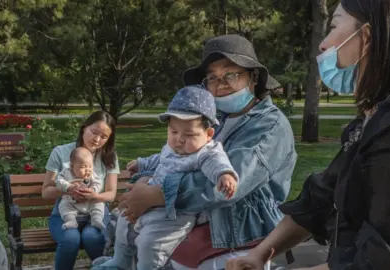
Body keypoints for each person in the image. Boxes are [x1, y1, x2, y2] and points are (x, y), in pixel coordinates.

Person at [226, 0, 390, 269]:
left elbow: (386, 261)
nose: (323, 45)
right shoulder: (379, 117)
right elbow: (319, 198)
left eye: (334, 26)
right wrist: (258, 254)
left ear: (367, 37)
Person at [117, 34, 297, 270]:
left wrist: (157, 195)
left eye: (230, 74)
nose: (220, 84)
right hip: (197, 226)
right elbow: (179, 158)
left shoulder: (268, 125)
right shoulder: (215, 120)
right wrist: (144, 179)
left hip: (238, 237)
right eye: (212, 77)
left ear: (254, 77)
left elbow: (227, 184)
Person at [92, 85, 239, 270]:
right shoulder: (172, 148)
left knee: (151, 243)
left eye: (189, 134)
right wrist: (142, 164)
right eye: (173, 132)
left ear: (208, 134)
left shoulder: (206, 152)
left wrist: (224, 175)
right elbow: (160, 159)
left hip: (173, 214)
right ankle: (120, 261)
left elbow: (217, 163)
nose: (179, 139)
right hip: (147, 205)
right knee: (123, 222)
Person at [41, 111, 120, 270]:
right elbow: (46, 191)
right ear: (84, 128)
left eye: (104, 136)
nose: (97, 139)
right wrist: (68, 190)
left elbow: (111, 194)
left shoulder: (109, 156)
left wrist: (94, 195)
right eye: (94, 132)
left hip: (96, 211)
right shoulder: (61, 152)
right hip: (66, 212)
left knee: (92, 236)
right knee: (70, 238)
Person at [56, 147, 105, 230]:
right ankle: (71, 220)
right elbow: (58, 180)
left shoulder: (92, 175)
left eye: (90, 166)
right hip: (72, 201)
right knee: (64, 204)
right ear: (72, 165)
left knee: (99, 202)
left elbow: (98, 182)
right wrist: (69, 187)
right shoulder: (66, 173)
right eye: (83, 167)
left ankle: (96, 219)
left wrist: (93, 189)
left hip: (89, 200)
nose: (88, 170)